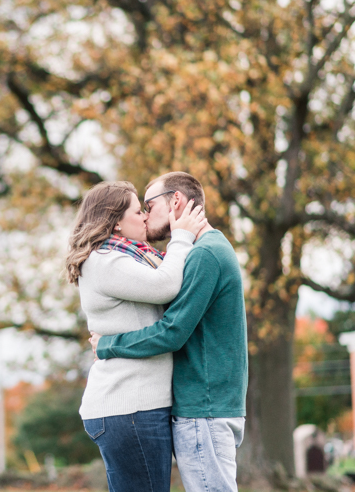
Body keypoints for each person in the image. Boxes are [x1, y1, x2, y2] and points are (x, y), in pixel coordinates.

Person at [90, 172, 248, 492]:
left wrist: (109, 344)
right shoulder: (208, 249)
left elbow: (172, 331)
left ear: (176, 200)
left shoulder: (205, 254)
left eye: (150, 205)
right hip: (208, 407)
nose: (146, 216)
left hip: (204, 409)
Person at [65, 180, 207, 492]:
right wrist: (181, 236)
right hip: (128, 408)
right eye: (137, 210)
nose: (144, 216)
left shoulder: (128, 256)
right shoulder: (105, 261)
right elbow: (165, 285)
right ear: (115, 221)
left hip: (135, 408)